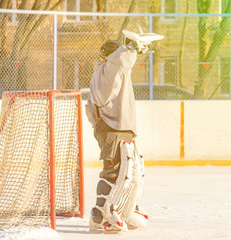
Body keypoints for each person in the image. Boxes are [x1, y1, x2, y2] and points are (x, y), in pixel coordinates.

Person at [85, 37, 151, 233]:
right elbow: (120, 61)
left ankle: (123, 211)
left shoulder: (113, 72)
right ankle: (98, 216)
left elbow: (90, 107)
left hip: (119, 128)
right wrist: (131, 48)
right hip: (113, 128)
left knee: (129, 173)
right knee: (113, 173)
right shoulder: (109, 70)